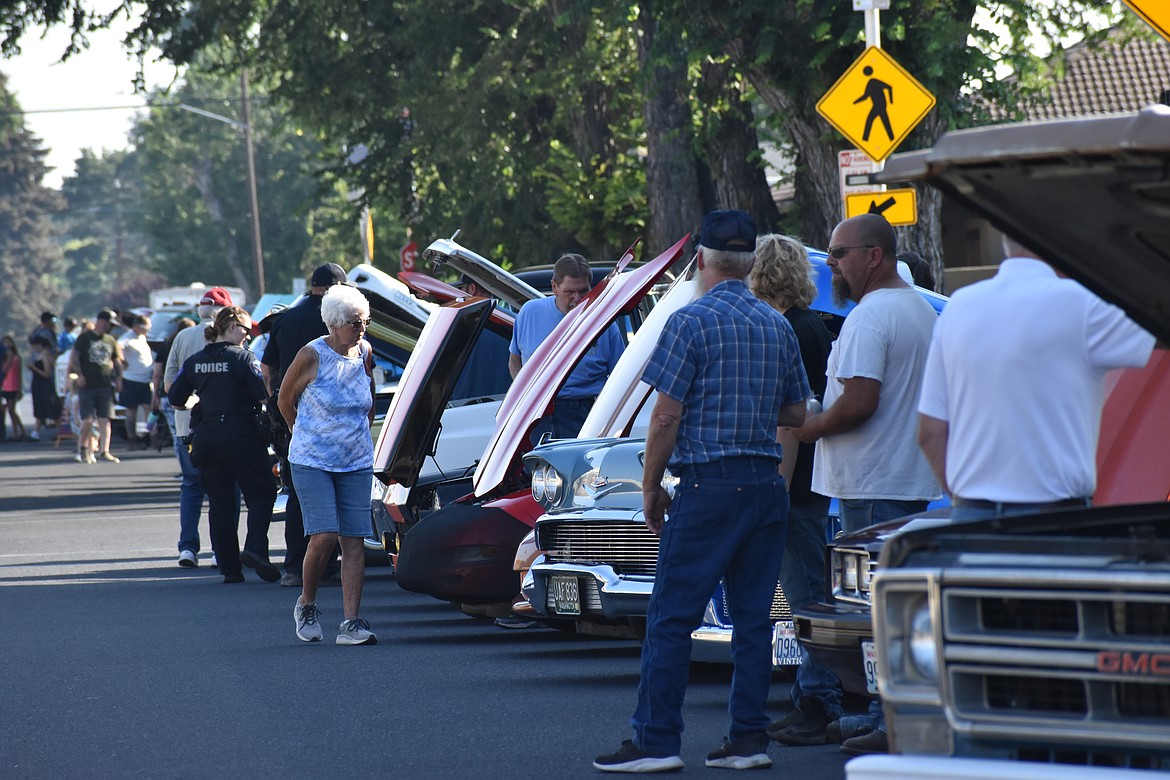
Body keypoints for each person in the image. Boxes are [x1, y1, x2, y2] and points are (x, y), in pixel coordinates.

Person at [594, 210, 810, 773]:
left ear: (701, 261)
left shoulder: (689, 322)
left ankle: (656, 741)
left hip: (709, 485)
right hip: (766, 486)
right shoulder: (777, 324)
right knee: (754, 619)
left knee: (670, 616)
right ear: (750, 263)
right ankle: (748, 740)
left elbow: (665, 418)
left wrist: (650, 489)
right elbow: (795, 410)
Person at [772, 213, 940, 755]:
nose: (831, 264)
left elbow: (860, 402)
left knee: (877, 608)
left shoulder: (872, 317)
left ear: (875, 255)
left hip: (874, 483)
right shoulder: (913, 309)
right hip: (896, 478)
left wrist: (805, 427)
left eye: (839, 253)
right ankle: (884, 712)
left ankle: (891, 721)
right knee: (893, 606)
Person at [918, 235, 1156, 522]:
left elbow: (930, 434)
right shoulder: (1083, 305)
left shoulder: (958, 308)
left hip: (972, 514)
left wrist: (964, 499)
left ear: (1007, 244)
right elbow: (1155, 328)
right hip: (1054, 519)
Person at [749, 233, 835, 694]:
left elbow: (793, 418)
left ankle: (820, 694)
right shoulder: (811, 324)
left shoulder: (789, 330)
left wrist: (777, 491)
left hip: (795, 482)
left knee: (804, 594)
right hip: (811, 477)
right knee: (807, 589)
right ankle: (815, 688)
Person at [279, 284, 378, 645]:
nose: (362, 328)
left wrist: (359, 433)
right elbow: (285, 400)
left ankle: (351, 623)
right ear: (334, 324)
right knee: (323, 536)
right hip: (313, 459)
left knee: (354, 540)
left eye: (365, 321)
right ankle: (307, 602)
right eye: (355, 322)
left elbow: (369, 397)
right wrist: (301, 432)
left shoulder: (365, 351)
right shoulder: (311, 355)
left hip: (355, 460)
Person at [168, 306, 280, 584]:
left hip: (206, 438)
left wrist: (200, 402)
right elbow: (263, 396)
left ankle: (230, 568)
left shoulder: (195, 361)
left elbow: (175, 398)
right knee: (262, 493)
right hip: (241, 435)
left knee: (220, 502)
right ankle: (254, 550)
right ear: (230, 327)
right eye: (245, 330)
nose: (248, 336)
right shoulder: (243, 358)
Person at [261, 262, 349, 587]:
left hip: (288, 416)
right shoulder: (339, 320)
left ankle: (296, 565)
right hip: (331, 417)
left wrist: (279, 403)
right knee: (335, 488)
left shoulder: (286, 318)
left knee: (297, 488)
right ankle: (327, 566)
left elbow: (267, 368)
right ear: (338, 286)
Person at [509, 253, 625, 440]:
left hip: (584, 412)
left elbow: (621, 375)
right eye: (570, 292)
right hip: (536, 414)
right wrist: (523, 394)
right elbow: (514, 361)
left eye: (584, 292)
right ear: (554, 287)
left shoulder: (605, 324)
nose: (577, 298)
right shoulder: (529, 313)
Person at [164, 289, 235, 568]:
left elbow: (169, 385)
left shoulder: (182, 337)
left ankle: (188, 548)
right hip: (224, 426)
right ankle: (222, 549)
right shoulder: (232, 337)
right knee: (225, 490)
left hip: (187, 427)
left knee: (191, 486)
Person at [67, 309, 125, 463]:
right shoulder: (85, 338)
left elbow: (117, 360)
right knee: (87, 420)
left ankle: (105, 450)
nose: (110, 327)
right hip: (87, 385)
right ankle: (84, 448)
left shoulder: (110, 340)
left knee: (105, 419)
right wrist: (79, 374)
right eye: (108, 323)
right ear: (101, 321)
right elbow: (75, 357)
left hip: (105, 385)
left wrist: (119, 378)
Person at [117, 314, 154, 449]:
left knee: (149, 409)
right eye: (146, 328)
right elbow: (118, 347)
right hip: (131, 379)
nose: (148, 331)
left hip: (145, 380)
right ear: (137, 327)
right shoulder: (127, 337)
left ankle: (149, 436)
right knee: (131, 411)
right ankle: (132, 438)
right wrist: (122, 360)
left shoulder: (142, 337)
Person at [27, 335, 61, 440]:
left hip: (45, 386)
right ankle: (35, 432)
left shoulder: (46, 356)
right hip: (38, 385)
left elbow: (47, 373)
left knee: (52, 409)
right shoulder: (38, 356)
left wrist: (34, 368)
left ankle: (61, 432)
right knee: (39, 409)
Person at [1, 335, 28, 442]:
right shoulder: (3, 358)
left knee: (12, 410)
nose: (7, 344)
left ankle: (18, 431)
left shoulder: (17, 358)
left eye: (9, 342)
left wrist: (20, 388)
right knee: (8, 411)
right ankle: (18, 431)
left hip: (13, 386)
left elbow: (19, 374)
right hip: (4, 386)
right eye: (5, 342)